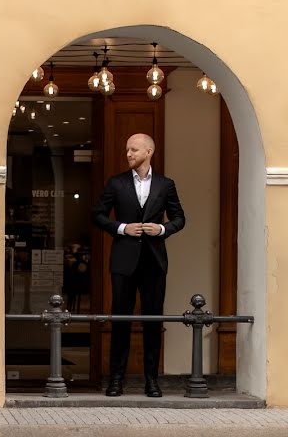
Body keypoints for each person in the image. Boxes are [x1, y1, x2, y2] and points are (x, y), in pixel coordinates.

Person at [92, 133, 185, 398]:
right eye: (127, 150)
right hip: (123, 260)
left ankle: (151, 381)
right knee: (120, 320)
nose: (129, 154)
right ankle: (116, 380)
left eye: (134, 149)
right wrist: (121, 228)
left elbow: (180, 218)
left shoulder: (166, 185)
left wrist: (161, 228)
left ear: (149, 151)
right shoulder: (116, 183)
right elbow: (97, 215)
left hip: (154, 261)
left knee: (152, 322)